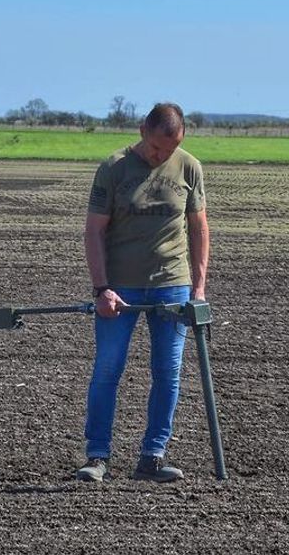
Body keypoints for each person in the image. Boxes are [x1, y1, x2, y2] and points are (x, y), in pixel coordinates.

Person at [76, 102, 210, 483]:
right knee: (108, 368)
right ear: (141, 131)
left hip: (173, 284)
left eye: (169, 149)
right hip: (120, 287)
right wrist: (102, 289)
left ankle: (152, 455)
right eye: (155, 149)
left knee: (168, 371)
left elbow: (199, 230)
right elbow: (94, 231)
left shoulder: (189, 167)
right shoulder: (113, 168)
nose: (161, 156)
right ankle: (97, 456)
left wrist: (197, 289)